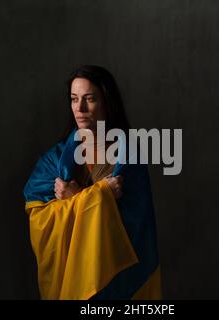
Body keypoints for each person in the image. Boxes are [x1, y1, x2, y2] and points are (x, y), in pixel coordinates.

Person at [23, 65, 162, 299]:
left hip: (118, 281)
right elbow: (39, 220)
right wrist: (101, 194)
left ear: (107, 103)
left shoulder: (128, 158)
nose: (80, 108)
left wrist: (75, 197)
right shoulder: (54, 161)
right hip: (71, 274)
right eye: (74, 99)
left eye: (90, 99)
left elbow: (133, 229)